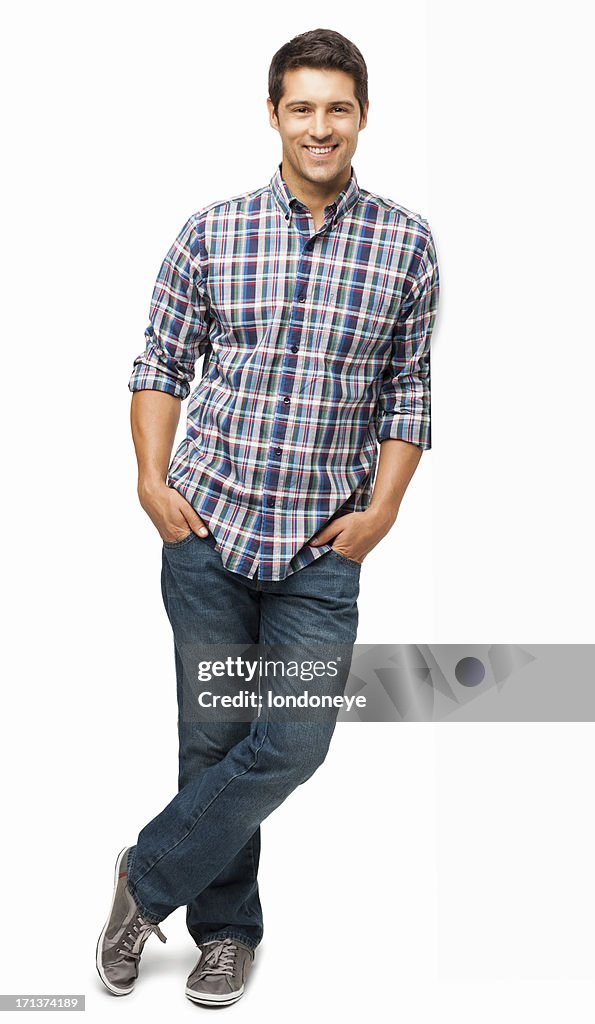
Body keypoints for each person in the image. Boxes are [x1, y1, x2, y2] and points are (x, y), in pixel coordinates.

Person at [96, 26, 440, 1007]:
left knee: (291, 736)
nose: (320, 126)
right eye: (302, 106)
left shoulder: (405, 244)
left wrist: (380, 511)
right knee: (210, 738)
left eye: (338, 107)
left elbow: (407, 396)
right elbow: (161, 362)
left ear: (361, 116)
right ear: (274, 114)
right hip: (205, 529)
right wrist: (150, 479)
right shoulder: (212, 231)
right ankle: (227, 931)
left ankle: (142, 877)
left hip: (323, 545)